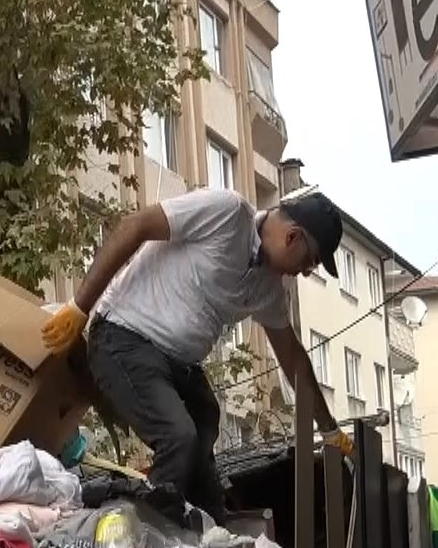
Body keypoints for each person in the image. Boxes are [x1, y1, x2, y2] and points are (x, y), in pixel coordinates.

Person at [38, 188, 354, 521]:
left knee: (204, 428)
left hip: (178, 364)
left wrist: (330, 430)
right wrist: (79, 307)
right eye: (308, 262)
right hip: (123, 338)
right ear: (293, 237)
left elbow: (293, 358)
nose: (304, 272)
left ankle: (208, 533)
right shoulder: (228, 214)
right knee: (179, 438)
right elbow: (136, 225)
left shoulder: (269, 289)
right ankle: (137, 540)